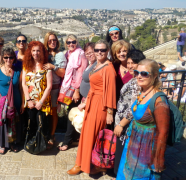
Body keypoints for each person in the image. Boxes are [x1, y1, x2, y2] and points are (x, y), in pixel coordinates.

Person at [67, 39, 116, 175]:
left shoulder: (108, 68)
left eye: (103, 50)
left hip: (100, 105)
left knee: (92, 135)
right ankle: (82, 163)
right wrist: (86, 102)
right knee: (87, 135)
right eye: (97, 50)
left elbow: (110, 91)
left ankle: (89, 164)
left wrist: (110, 112)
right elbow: (93, 88)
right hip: (92, 102)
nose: (99, 52)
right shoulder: (97, 65)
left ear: (107, 52)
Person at [117, 59, 170, 180]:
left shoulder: (159, 100)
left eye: (144, 74)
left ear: (155, 75)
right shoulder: (143, 91)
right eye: (136, 73)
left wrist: (158, 159)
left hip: (146, 149)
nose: (139, 76)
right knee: (125, 174)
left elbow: (163, 132)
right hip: (133, 143)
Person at [113, 50, 146, 178]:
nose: (130, 66)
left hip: (126, 125)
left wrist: (121, 124)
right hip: (122, 122)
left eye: (134, 63)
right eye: (129, 63)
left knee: (124, 154)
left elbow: (134, 107)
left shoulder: (137, 83)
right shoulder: (134, 79)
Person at [0, 48, 24, 154]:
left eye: (11, 57)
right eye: (6, 57)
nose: (8, 59)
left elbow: (21, 88)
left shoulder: (18, 71)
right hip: (2, 102)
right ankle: (3, 144)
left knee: (14, 122)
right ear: (3, 58)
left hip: (16, 101)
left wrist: (23, 103)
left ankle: (13, 143)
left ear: (14, 58)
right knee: (4, 122)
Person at [57, 34, 87, 151]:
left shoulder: (80, 54)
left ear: (77, 42)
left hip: (75, 89)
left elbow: (81, 73)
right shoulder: (68, 54)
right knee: (71, 112)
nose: (71, 44)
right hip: (68, 87)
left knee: (72, 113)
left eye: (73, 42)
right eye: (68, 43)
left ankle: (66, 141)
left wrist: (77, 90)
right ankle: (74, 138)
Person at [22, 41, 53, 146]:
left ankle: (42, 144)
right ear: (30, 52)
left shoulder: (46, 67)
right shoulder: (26, 67)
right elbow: (24, 84)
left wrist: (40, 102)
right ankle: (32, 144)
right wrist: (28, 100)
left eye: (38, 51)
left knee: (43, 124)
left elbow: (49, 87)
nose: (36, 53)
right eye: (33, 51)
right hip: (30, 102)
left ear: (42, 52)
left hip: (42, 102)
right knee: (32, 123)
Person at [43, 32, 67, 149]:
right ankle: (44, 135)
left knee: (53, 113)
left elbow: (62, 73)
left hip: (54, 88)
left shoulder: (60, 55)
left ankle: (52, 135)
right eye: (50, 40)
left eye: (54, 40)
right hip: (42, 88)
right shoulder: (44, 53)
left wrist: (53, 67)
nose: (52, 42)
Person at [78, 42, 97, 110]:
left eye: (91, 52)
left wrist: (85, 102)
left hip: (90, 101)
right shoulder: (90, 64)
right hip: (85, 99)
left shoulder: (97, 65)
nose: (89, 55)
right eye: (87, 54)